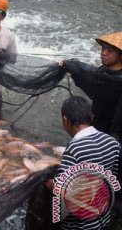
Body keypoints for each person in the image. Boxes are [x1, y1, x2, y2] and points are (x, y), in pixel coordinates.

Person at [45, 96, 121, 229]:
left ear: (65, 120)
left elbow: (61, 190)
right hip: (103, 217)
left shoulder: (74, 149)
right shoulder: (113, 143)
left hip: (81, 225)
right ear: (91, 117)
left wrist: (43, 179)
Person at [62, 32, 122, 143]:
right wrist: (68, 65)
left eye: (109, 50)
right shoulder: (102, 71)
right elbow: (88, 75)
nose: (104, 53)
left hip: (113, 133)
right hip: (96, 123)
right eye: (103, 49)